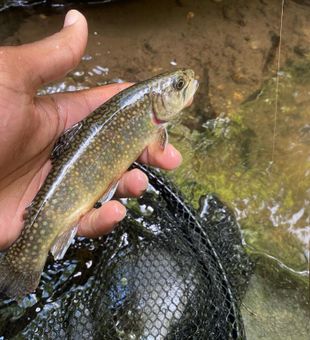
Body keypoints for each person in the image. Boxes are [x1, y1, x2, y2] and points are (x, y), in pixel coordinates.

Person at [0, 10, 182, 251]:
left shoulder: (148, 116)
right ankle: (28, 254)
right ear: (157, 101)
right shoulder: (149, 118)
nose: (185, 85)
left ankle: (30, 251)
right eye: (179, 86)